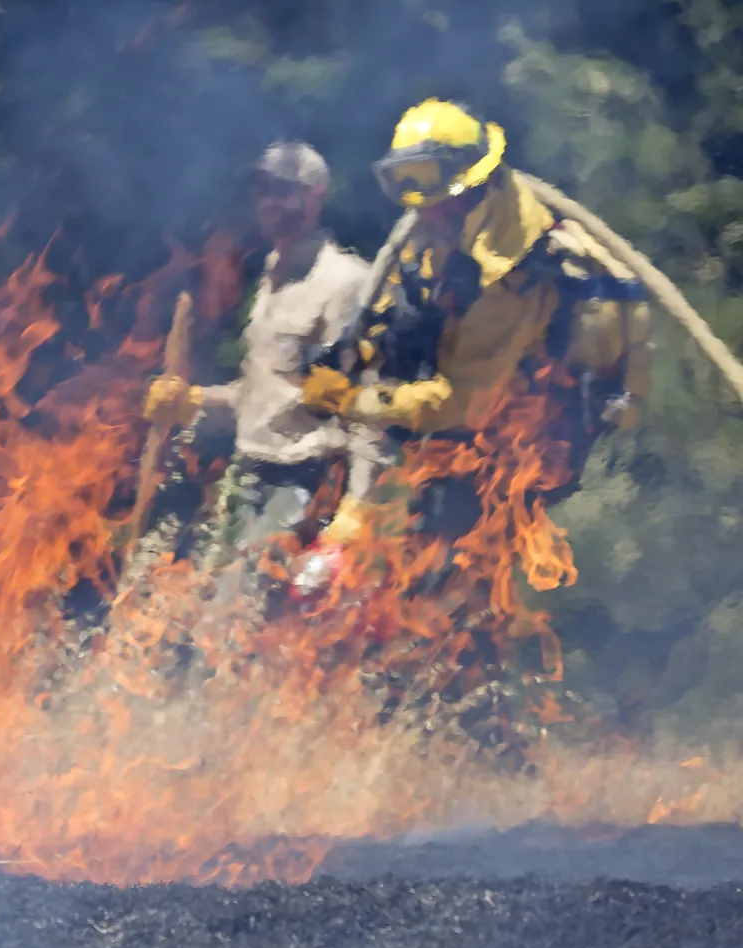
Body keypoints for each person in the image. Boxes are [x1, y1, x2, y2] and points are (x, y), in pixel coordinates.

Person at [300, 98, 654, 540]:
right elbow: (408, 311)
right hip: (456, 409)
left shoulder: (512, 269)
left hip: (524, 433)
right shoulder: (440, 224)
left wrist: (350, 402)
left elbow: (460, 400)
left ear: (471, 178)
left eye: (425, 177)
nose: (416, 198)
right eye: (402, 178)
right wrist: (363, 351)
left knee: (451, 543)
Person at [141, 141, 390, 584]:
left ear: (317, 195)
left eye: (284, 189)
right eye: (262, 188)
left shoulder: (346, 282)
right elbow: (261, 393)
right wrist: (193, 401)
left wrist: (356, 506)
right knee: (221, 623)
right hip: (249, 473)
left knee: (236, 618)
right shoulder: (273, 275)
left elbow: (368, 403)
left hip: (302, 480)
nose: (270, 201)